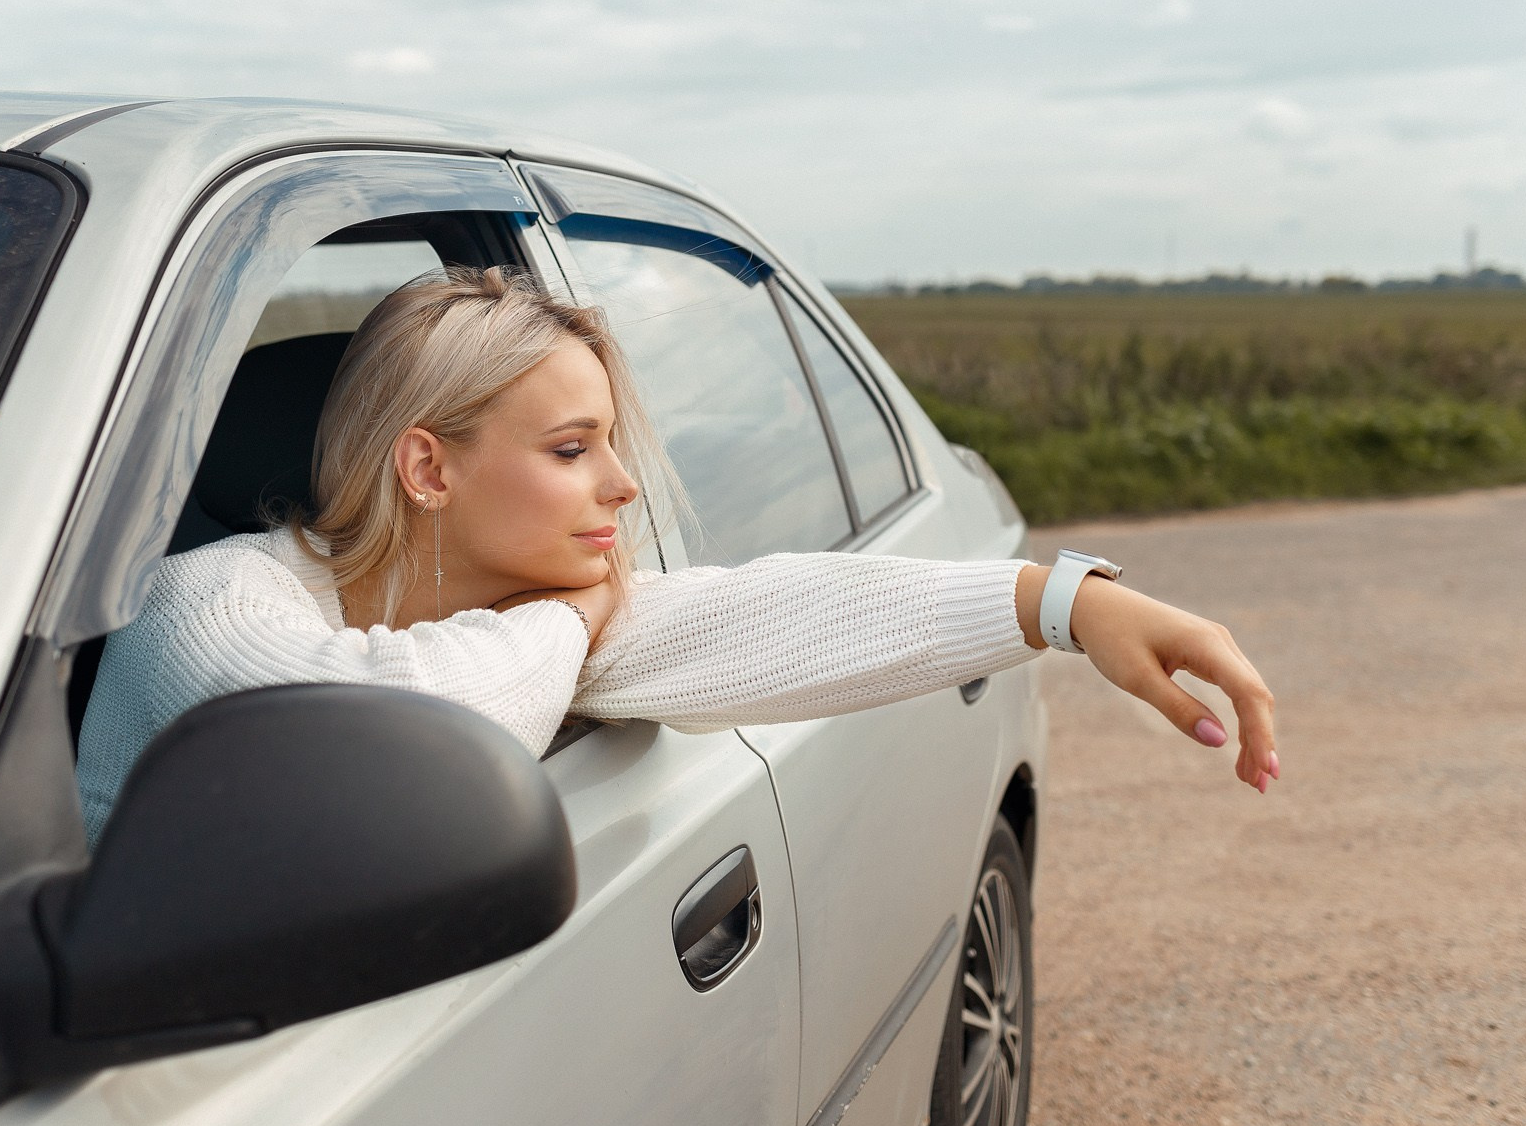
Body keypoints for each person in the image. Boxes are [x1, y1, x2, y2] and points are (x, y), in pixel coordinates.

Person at [75, 265, 1278, 844]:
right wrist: (572, 624)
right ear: (428, 468)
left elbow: (758, 612)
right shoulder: (205, 604)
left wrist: (1065, 603)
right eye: (569, 446)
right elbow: (374, 737)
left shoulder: (520, 604)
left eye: (609, 441)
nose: (621, 483)